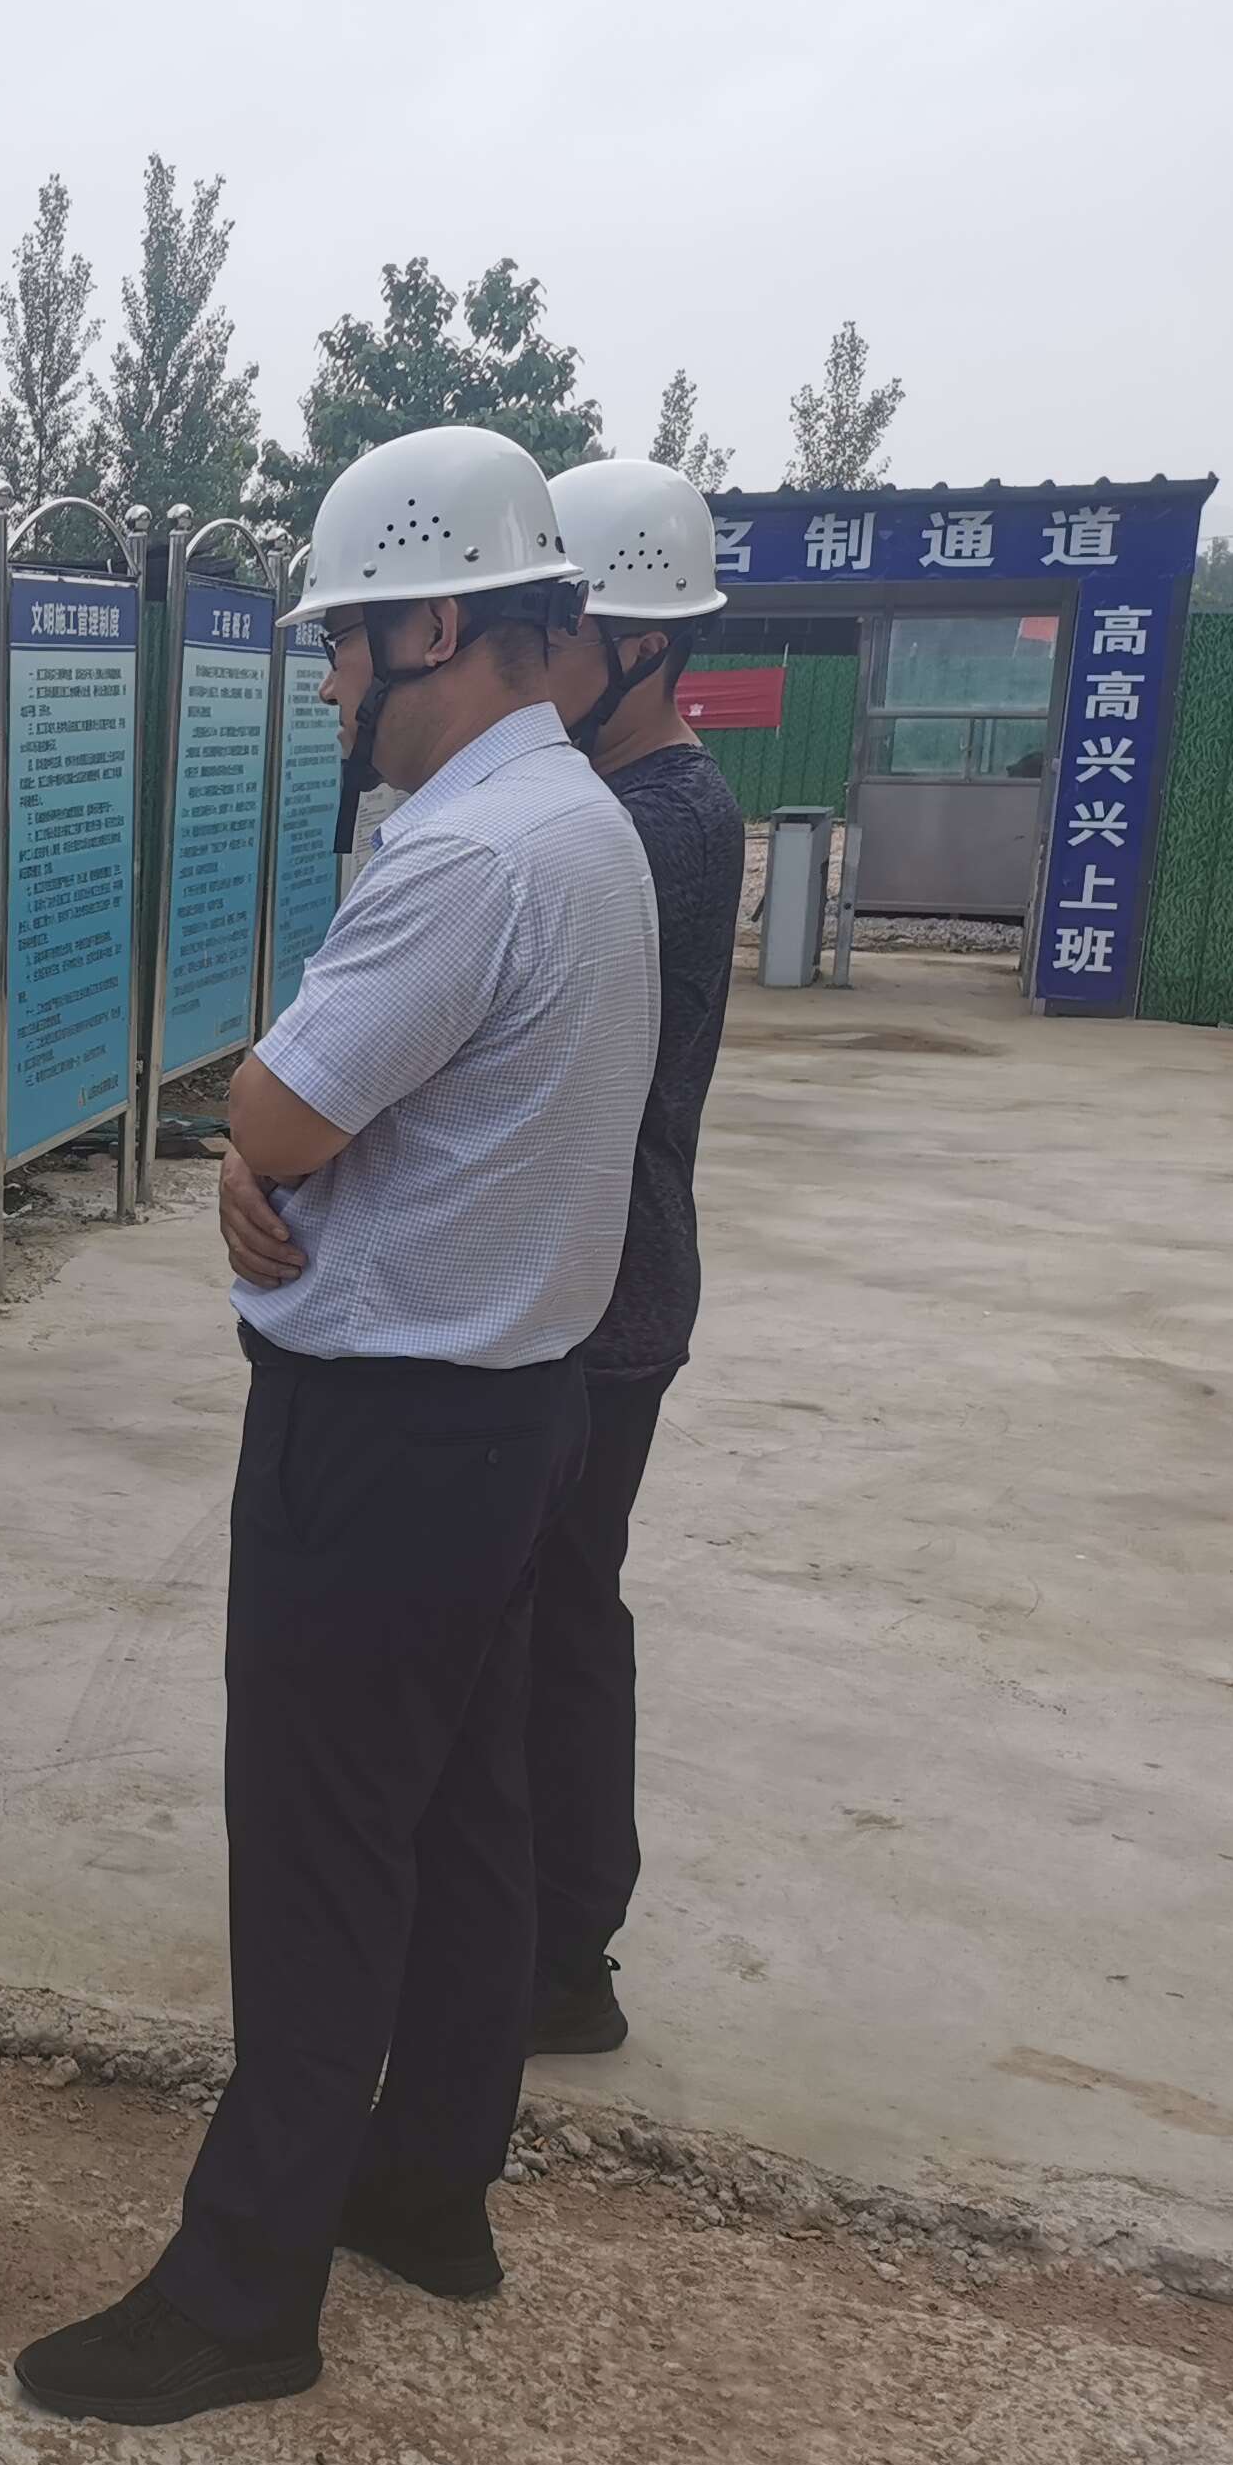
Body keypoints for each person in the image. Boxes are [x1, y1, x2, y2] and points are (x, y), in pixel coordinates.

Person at [14, 425, 660, 2428]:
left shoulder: (467, 857)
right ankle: (429, 2190)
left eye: (341, 643)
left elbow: (280, 1111)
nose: (325, 687)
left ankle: (243, 2293)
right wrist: (276, 1148)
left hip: (383, 1435)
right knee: (463, 1822)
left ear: (435, 628)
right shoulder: (581, 821)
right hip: (515, 1414)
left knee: (318, 1860)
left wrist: (255, 1149)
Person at [521, 457, 746, 2054]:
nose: (529, 665)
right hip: (601, 1273)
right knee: (547, 1612)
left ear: (642, 649)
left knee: (554, 1623)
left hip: (603, 1292)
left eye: (556, 639)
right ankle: (544, 1932)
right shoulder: (632, 804)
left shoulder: (650, 825)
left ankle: (564, 1956)